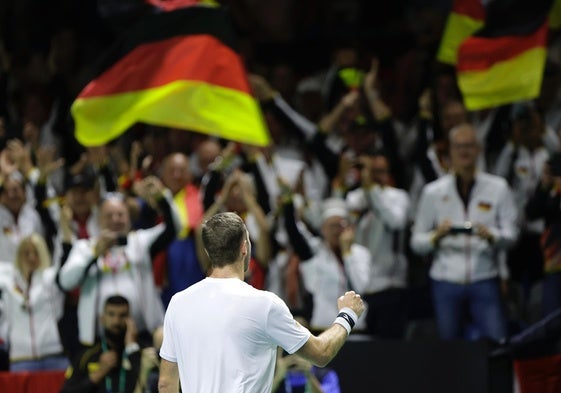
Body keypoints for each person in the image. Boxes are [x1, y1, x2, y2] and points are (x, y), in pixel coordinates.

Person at [158, 212, 365, 393]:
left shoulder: (178, 303)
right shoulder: (264, 305)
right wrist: (348, 314)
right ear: (244, 248)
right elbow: (321, 353)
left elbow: (166, 385)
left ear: (208, 252)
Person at [410, 123, 518, 342]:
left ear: (478, 149)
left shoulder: (498, 187)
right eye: (459, 146)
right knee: (450, 347)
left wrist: (492, 236)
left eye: (469, 145)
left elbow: (512, 234)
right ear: (450, 151)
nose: (464, 151)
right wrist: (436, 236)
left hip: (484, 277)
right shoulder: (434, 192)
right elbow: (416, 241)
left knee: (497, 342)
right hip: (445, 279)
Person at [58, 176, 180, 346]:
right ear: (99, 219)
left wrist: (162, 197)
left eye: (120, 214)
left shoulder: (140, 242)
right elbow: (65, 282)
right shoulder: (85, 247)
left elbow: (175, 228)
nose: (115, 220)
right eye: (109, 215)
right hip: (100, 340)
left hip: (143, 335)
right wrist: (94, 253)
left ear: (128, 218)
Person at [345, 151, 411, 339]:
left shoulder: (398, 197)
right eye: (369, 171)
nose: (374, 175)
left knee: (389, 347)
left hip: (390, 284)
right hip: (359, 284)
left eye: (379, 171)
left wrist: (371, 189)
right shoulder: (355, 197)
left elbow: (395, 221)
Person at [0, 233, 67, 372]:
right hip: (20, 357)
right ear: (18, 255)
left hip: (53, 353)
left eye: (36, 252)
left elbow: (64, 259)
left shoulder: (50, 278)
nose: (31, 258)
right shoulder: (8, 282)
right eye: (26, 253)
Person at [60, 295, 142, 393]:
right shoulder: (87, 356)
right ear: (102, 319)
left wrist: (132, 348)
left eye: (122, 315)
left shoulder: (139, 353)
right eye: (111, 314)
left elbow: (149, 383)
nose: (116, 321)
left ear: (130, 321)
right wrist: (99, 373)